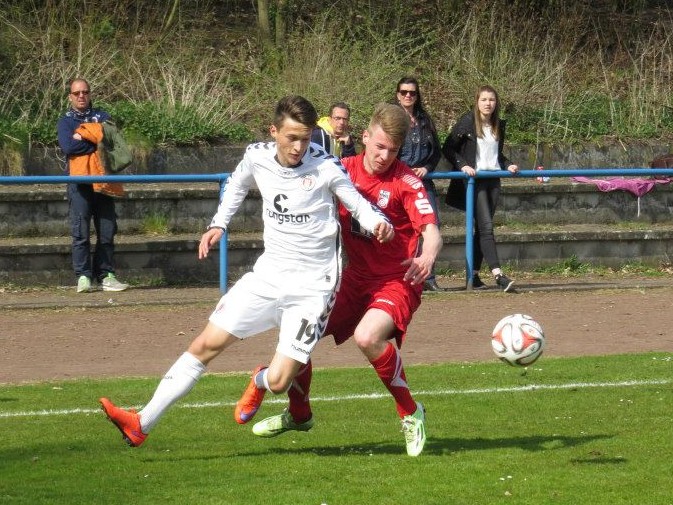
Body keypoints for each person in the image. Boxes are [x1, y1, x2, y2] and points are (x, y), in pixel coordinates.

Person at [98, 95, 394, 448]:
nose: (299, 147)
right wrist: (218, 224)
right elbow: (237, 184)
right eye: (291, 138)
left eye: (305, 138)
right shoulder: (256, 156)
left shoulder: (326, 166)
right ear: (273, 131)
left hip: (313, 287)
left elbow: (358, 204)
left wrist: (379, 223)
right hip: (268, 275)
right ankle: (141, 423)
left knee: (280, 381)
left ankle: (259, 381)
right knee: (205, 344)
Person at [251, 103, 443, 457]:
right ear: (365, 137)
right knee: (299, 336)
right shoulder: (340, 170)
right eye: (379, 146)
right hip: (351, 278)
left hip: (396, 280)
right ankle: (299, 414)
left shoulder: (406, 182)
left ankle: (410, 412)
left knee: (367, 337)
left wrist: (427, 256)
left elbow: (431, 232)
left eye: (393, 150)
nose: (384, 156)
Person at [442, 84, 519, 292]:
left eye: (491, 100)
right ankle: (498, 275)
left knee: (482, 229)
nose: (488, 103)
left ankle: (474, 275)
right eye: (484, 99)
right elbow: (448, 148)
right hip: (474, 182)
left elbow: (495, 156)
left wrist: (508, 164)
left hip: (493, 180)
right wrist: (462, 165)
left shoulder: (498, 125)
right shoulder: (467, 122)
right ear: (477, 102)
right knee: (486, 227)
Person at [57, 78, 129, 293]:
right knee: (80, 232)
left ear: (90, 94)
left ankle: (106, 275)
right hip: (79, 183)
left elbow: (113, 144)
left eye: (85, 92)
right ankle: (83, 276)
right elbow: (69, 147)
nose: (81, 96)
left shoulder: (103, 116)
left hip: (104, 180)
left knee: (107, 231)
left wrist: (83, 135)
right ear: (70, 97)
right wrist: (95, 139)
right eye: (77, 93)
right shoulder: (65, 122)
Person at [395, 77, 443, 292]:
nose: (408, 96)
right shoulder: (392, 118)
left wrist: (427, 167)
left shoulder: (425, 120)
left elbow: (437, 151)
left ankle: (428, 276)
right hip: (398, 180)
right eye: (404, 92)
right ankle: (399, 274)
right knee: (400, 227)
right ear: (397, 94)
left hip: (423, 182)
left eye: (412, 93)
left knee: (432, 225)